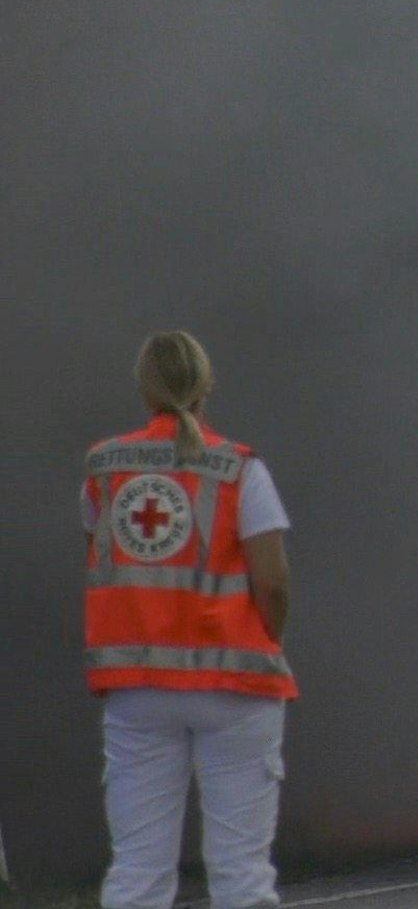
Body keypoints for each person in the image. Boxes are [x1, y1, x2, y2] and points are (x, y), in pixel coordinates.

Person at [81, 332, 295, 909]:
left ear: (144, 389)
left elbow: (103, 558)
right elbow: (271, 581)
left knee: (139, 871)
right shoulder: (238, 468)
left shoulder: (104, 468)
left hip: (138, 687)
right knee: (241, 874)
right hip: (234, 681)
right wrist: (263, 641)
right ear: (207, 387)